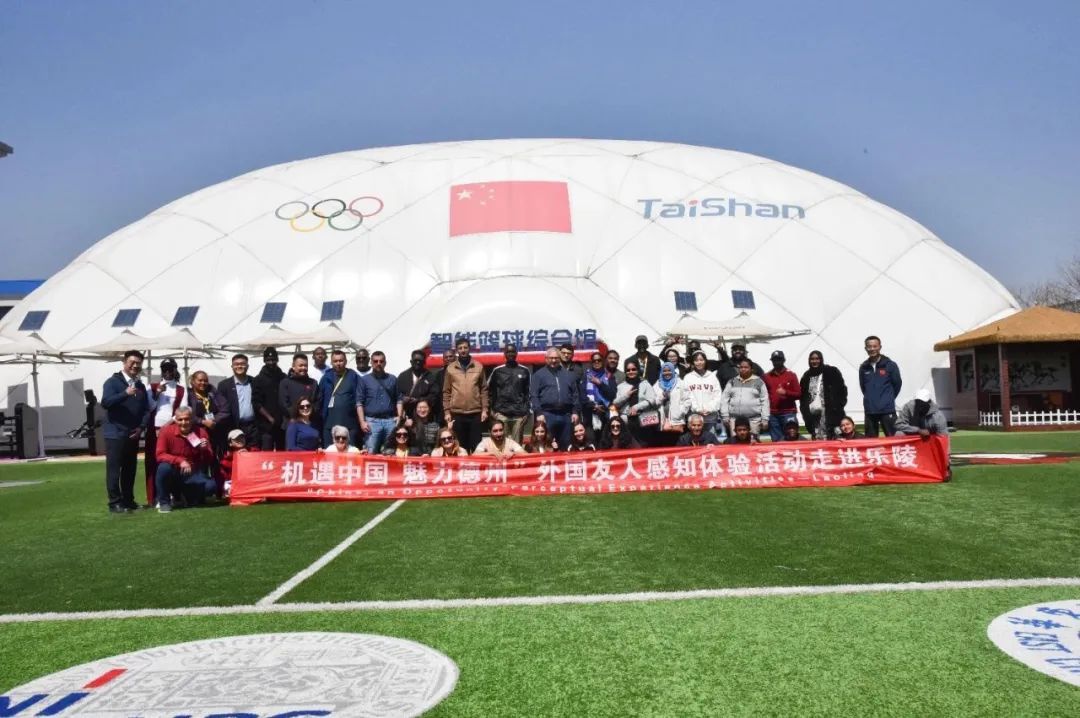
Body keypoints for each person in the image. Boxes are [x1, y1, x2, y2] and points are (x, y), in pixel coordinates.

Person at [101, 350, 151, 513]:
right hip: (115, 433)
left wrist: (141, 427)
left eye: (138, 363)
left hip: (133, 434)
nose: (135, 366)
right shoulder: (112, 382)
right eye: (132, 362)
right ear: (124, 362)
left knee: (130, 469)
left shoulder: (140, 385)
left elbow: (146, 410)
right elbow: (106, 402)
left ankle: (128, 500)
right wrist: (125, 394)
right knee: (114, 470)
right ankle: (115, 502)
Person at [153, 406, 216, 513]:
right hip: (172, 471)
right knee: (163, 468)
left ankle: (184, 496)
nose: (184, 422)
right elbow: (160, 455)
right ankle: (164, 502)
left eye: (187, 419)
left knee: (211, 486)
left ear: (192, 419)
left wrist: (204, 450)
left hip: (191, 473)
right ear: (175, 420)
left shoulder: (200, 432)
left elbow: (209, 459)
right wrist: (180, 461)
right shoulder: (166, 431)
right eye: (180, 419)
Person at [144, 358, 188, 505]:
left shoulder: (181, 389)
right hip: (153, 430)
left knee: (173, 461)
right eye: (165, 369)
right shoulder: (152, 387)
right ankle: (155, 497)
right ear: (161, 371)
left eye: (171, 369)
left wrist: (166, 427)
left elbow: (182, 410)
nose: (168, 372)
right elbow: (149, 408)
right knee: (153, 462)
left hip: (172, 429)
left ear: (175, 370)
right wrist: (157, 394)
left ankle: (175, 494)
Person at [443, 337, 488, 452]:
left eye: (465, 347)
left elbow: (484, 389)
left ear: (469, 349)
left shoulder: (478, 366)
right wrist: (447, 412)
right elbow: (446, 391)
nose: (463, 350)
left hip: (475, 413)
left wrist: (484, 409)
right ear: (457, 350)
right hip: (457, 413)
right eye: (460, 348)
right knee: (461, 447)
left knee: (476, 446)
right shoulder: (450, 368)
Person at [530, 347, 580, 450]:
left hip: (566, 414)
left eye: (556, 358)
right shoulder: (538, 375)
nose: (553, 360)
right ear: (546, 359)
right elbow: (534, 395)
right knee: (548, 444)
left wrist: (575, 411)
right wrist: (539, 413)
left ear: (560, 358)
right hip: (547, 414)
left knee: (566, 444)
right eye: (551, 358)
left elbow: (575, 394)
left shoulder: (569, 375)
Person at [357, 351, 403, 454]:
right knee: (371, 451)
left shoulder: (392, 379)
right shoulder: (364, 380)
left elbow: (399, 399)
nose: (378, 363)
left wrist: (399, 416)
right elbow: (359, 403)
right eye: (375, 361)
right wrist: (362, 421)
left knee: (390, 452)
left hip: (390, 421)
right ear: (371, 362)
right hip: (372, 422)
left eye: (381, 361)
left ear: (385, 363)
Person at [488, 343, 532, 443]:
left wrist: (527, 412)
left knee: (517, 445)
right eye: (508, 352)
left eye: (513, 352)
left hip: (519, 415)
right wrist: (491, 410)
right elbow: (487, 390)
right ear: (504, 353)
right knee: (501, 443)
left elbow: (529, 392)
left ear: (516, 353)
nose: (510, 354)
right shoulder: (497, 371)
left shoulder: (524, 370)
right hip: (501, 413)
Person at [799, 350, 848, 440]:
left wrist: (838, 406)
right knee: (818, 442)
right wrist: (806, 413)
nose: (815, 361)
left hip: (832, 414)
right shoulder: (806, 376)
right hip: (815, 417)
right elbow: (802, 397)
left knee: (836, 440)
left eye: (817, 359)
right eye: (812, 359)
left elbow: (842, 390)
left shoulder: (831, 371)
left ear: (821, 359)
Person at [859, 335, 902, 437]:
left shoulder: (890, 365)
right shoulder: (863, 367)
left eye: (875, 346)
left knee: (893, 439)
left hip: (887, 410)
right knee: (871, 442)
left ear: (880, 347)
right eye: (869, 347)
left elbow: (897, 384)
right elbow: (863, 387)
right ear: (865, 348)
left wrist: (887, 399)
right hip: (870, 410)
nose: (872, 349)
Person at [318, 349, 363, 447]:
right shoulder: (326, 377)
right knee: (330, 452)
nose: (338, 363)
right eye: (335, 361)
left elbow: (360, 398)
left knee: (350, 452)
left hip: (350, 423)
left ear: (346, 361)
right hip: (329, 424)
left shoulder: (353, 376)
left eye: (341, 360)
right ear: (331, 362)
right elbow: (319, 399)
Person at [216, 354, 262, 449]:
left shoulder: (255, 382)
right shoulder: (224, 385)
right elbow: (220, 407)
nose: (239, 366)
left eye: (242, 364)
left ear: (247, 366)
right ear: (232, 366)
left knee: (254, 453)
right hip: (234, 426)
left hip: (253, 427)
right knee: (237, 454)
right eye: (236, 364)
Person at [613, 359, 659, 447]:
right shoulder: (621, 386)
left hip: (644, 420)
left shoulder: (645, 384)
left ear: (638, 370)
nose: (631, 372)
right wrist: (626, 395)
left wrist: (637, 407)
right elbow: (615, 403)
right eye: (628, 370)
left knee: (644, 446)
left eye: (634, 369)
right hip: (626, 421)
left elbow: (652, 400)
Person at [720, 358, 769, 438]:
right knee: (735, 443)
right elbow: (724, 399)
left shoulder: (759, 382)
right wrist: (725, 416)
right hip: (735, 420)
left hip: (753, 420)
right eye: (741, 367)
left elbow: (765, 401)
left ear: (751, 369)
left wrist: (765, 419)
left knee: (753, 442)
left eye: (746, 367)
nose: (743, 369)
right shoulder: (732, 382)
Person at [682, 350, 724, 438]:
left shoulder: (712, 377)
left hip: (710, 418)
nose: (699, 362)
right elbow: (686, 396)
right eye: (696, 360)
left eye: (701, 360)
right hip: (694, 419)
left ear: (705, 361)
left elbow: (717, 396)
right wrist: (697, 409)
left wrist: (709, 408)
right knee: (694, 441)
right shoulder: (688, 377)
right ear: (693, 362)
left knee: (709, 441)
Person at [763, 350, 802, 442]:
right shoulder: (766, 376)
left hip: (788, 412)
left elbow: (799, 394)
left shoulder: (791, 375)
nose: (776, 362)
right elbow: (763, 395)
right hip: (773, 414)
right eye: (774, 360)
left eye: (779, 359)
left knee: (791, 438)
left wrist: (786, 392)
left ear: (784, 360)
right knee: (777, 441)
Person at [253, 347, 287, 450]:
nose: (271, 362)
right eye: (268, 360)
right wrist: (269, 418)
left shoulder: (283, 377)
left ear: (277, 359)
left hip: (282, 424)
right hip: (266, 426)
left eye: (273, 359)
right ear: (264, 360)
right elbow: (256, 403)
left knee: (282, 454)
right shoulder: (258, 379)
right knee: (267, 454)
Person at [279, 353, 321, 434]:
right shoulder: (285, 383)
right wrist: (299, 417)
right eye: (300, 365)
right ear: (293, 366)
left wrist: (307, 415)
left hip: (310, 424)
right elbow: (284, 405)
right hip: (291, 425)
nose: (303, 368)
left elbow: (317, 403)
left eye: (305, 365)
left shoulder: (313, 383)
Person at [397, 349, 439, 421]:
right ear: (411, 361)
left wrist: (419, 400)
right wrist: (403, 398)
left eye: (420, 361)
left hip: (424, 415)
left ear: (424, 362)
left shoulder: (430, 376)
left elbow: (434, 395)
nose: (418, 362)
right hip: (407, 415)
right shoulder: (403, 376)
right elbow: (397, 394)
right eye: (415, 360)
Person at [582, 351, 617, 436]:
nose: (597, 362)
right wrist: (593, 406)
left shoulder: (609, 376)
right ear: (591, 362)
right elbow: (582, 395)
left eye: (599, 360)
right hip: (590, 412)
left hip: (605, 412)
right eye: (594, 361)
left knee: (605, 438)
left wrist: (600, 384)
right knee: (591, 439)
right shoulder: (586, 375)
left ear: (603, 361)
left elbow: (612, 395)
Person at [653, 361, 688, 446]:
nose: (667, 373)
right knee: (663, 445)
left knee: (677, 445)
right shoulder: (657, 385)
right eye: (664, 371)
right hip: (662, 422)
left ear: (673, 371)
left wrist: (681, 412)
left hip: (676, 420)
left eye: (669, 370)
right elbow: (653, 402)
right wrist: (662, 396)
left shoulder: (680, 383)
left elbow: (687, 400)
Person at [216, 428, 247, 499]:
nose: (240, 440)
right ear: (230, 443)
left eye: (242, 437)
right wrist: (237, 457)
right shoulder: (226, 458)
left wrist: (247, 456)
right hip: (231, 482)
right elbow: (222, 476)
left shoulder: (251, 452)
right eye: (236, 439)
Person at [188, 370, 218, 437]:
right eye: (200, 380)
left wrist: (214, 420)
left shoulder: (212, 393)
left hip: (214, 430)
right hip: (196, 432)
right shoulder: (188, 395)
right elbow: (187, 414)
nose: (203, 383)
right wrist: (203, 421)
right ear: (193, 381)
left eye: (205, 381)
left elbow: (224, 410)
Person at [429, 348, 455, 423]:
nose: (448, 359)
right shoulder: (439, 374)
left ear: (455, 357)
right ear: (443, 359)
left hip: (459, 409)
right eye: (446, 357)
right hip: (442, 410)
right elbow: (436, 393)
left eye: (450, 356)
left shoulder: (462, 372)